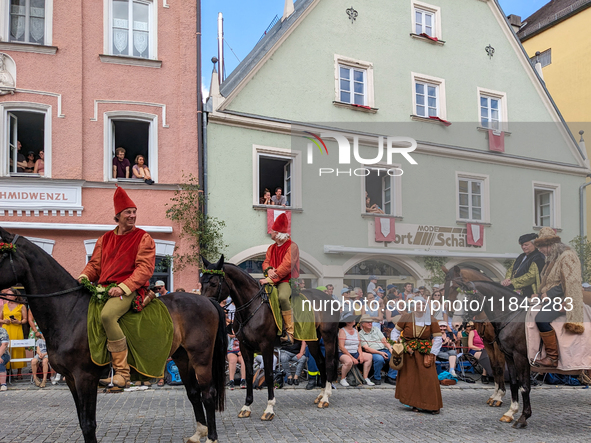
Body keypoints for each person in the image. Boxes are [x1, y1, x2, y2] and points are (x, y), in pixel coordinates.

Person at [78, 187, 156, 388]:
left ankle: (123, 373)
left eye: (134, 211)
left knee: (107, 316)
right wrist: (84, 276)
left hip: (129, 290)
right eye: (128, 212)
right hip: (104, 289)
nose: (132, 215)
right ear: (118, 216)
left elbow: (145, 269)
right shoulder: (104, 239)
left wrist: (123, 287)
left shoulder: (143, 237)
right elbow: (95, 265)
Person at [533, 227, 585, 367]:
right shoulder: (553, 260)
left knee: (541, 319)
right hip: (550, 298)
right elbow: (549, 282)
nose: (540, 250)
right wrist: (538, 295)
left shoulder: (567, 256)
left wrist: (550, 295)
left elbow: (570, 282)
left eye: (542, 246)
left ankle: (552, 357)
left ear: (551, 245)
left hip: (562, 298)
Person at [390, 296, 443, 414]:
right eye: (418, 304)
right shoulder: (406, 317)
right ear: (413, 305)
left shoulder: (431, 319)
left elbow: (438, 338)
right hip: (408, 353)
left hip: (425, 353)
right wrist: (397, 345)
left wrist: (432, 353)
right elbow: (395, 332)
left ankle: (432, 404)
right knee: (411, 379)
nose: (421, 307)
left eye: (423, 305)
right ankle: (414, 404)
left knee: (428, 378)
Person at [260, 213, 299, 344]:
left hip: (286, 280)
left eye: (272, 231)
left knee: (282, 297)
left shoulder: (292, 246)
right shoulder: (271, 248)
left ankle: (289, 332)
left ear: (277, 234)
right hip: (271, 278)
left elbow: (286, 266)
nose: (270, 233)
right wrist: (269, 270)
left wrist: (270, 279)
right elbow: (265, 262)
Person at [501, 233, 546, 298]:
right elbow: (511, 269)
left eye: (526, 245)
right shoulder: (521, 256)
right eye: (522, 245)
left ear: (534, 244)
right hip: (515, 288)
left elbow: (531, 276)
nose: (523, 247)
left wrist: (513, 282)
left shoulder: (538, 257)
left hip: (529, 292)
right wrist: (507, 279)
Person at [359, 315, 397, 385]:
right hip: (373, 351)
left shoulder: (376, 329)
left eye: (371, 322)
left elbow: (384, 340)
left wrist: (390, 349)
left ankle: (390, 377)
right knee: (379, 359)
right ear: (363, 324)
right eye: (368, 322)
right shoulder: (360, 334)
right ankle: (377, 378)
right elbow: (366, 348)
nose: (370, 323)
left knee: (395, 356)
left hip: (384, 349)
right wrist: (380, 353)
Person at [338, 313, 373, 387]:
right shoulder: (342, 331)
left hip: (355, 352)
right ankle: (342, 378)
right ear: (346, 322)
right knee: (349, 361)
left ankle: (365, 378)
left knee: (369, 357)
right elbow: (341, 347)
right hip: (344, 353)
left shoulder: (355, 330)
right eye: (350, 320)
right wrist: (352, 358)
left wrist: (360, 355)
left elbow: (359, 345)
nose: (353, 321)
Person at [0, 288, 27, 380]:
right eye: (7, 295)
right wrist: (4, 320)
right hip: (6, 329)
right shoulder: (3, 306)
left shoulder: (21, 306)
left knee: (18, 349)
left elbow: (25, 320)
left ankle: (19, 372)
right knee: (5, 348)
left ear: (15, 296)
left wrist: (18, 322)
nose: (8, 296)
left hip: (17, 329)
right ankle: (7, 371)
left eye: (10, 295)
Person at [0, 325, 9, 391]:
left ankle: (3, 384)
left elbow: (4, 344)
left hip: (3, 354)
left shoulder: (2, 331)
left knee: (0, 362)